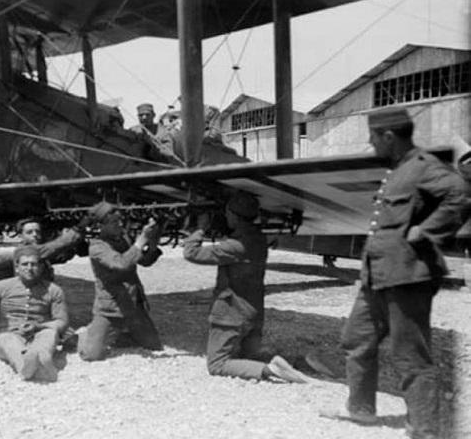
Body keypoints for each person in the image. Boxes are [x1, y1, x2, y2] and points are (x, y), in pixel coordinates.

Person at [323, 108, 468, 439]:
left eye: (373, 137)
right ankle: (361, 411)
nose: (369, 143)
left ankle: (424, 430)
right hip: (378, 275)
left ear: (389, 137)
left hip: (408, 275)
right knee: (356, 338)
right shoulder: (398, 170)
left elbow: (460, 195)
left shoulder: (422, 167)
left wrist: (428, 231)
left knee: (410, 355)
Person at [183, 192, 310, 384]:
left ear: (232, 215)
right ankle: (292, 362)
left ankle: (269, 369)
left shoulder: (235, 246)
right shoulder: (258, 239)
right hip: (253, 317)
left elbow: (191, 253)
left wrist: (200, 229)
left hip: (231, 316)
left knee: (217, 364)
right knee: (246, 357)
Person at [77, 202, 163, 361]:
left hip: (132, 304)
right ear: (101, 225)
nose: (120, 224)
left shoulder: (124, 239)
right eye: (114, 222)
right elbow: (121, 264)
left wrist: (152, 243)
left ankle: (119, 333)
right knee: (90, 354)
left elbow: (144, 261)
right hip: (110, 308)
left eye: (120, 220)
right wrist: (141, 239)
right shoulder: (97, 247)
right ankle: (85, 334)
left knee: (153, 344)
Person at [0, 245, 68, 382]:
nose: (29, 268)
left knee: (49, 334)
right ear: (16, 268)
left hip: (39, 333)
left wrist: (39, 327)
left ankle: (39, 357)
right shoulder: (0, 287)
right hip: (9, 332)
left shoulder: (53, 290)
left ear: (41, 267)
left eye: (34, 264)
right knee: (7, 341)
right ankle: (28, 366)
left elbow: (62, 321)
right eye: (25, 264)